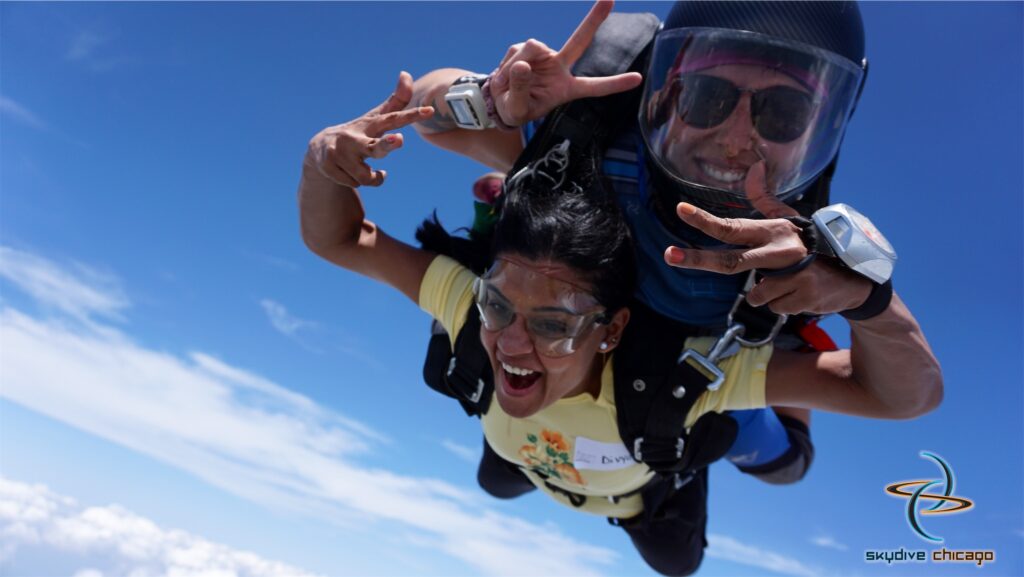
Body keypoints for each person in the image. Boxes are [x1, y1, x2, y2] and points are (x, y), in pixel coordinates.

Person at [297, 80, 942, 575]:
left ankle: (788, 338)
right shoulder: (471, 307)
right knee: (495, 480)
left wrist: (867, 303)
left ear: (614, 329)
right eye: (497, 307)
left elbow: (901, 396)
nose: (511, 343)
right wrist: (319, 160)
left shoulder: (686, 377)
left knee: (714, 526)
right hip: (548, 459)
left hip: (648, 481)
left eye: (554, 324)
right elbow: (347, 236)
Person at [408, 0, 879, 484]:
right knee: (499, 477)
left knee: (777, 470)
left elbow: (888, 390)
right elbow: (426, 113)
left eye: (784, 113)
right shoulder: (590, 143)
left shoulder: (790, 251)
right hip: (570, 345)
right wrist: (488, 98)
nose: (737, 139)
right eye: (706, 97)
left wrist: (869, 297)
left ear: (819, 129)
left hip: (671, 374)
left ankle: (662, 485)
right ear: (668, 95)